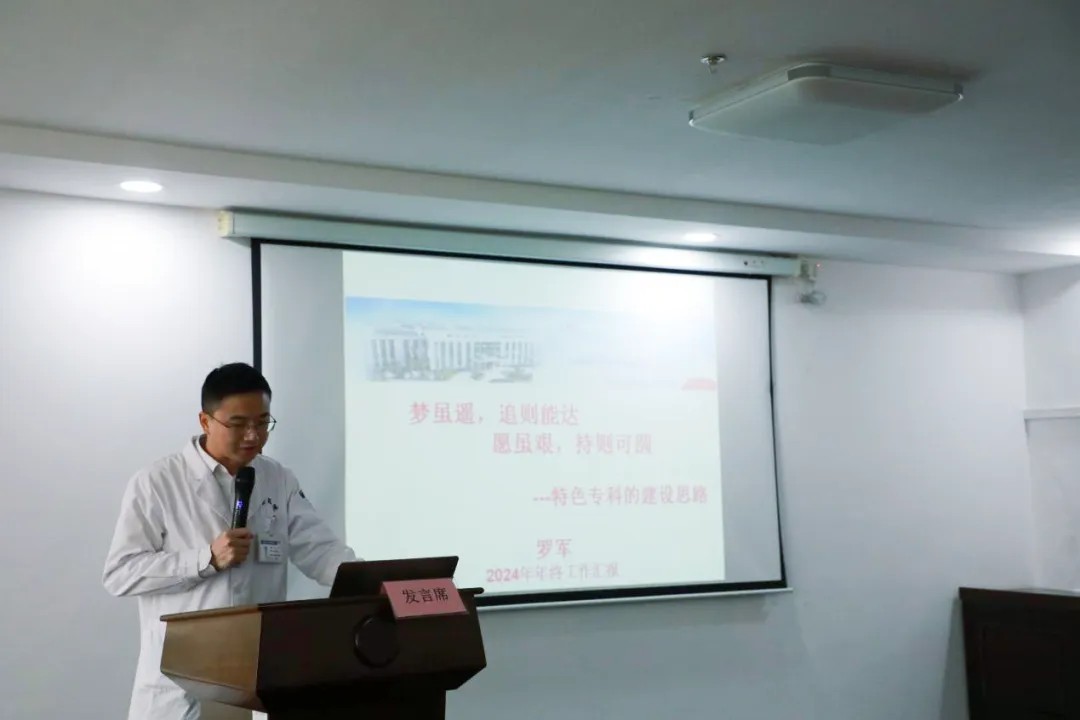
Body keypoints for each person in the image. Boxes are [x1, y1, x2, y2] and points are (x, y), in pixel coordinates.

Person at [103, 362, 357, 720]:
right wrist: (205, 559)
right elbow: (120, 573)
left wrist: (370, 581)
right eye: (238, 424)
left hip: (257, 677)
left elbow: (321, 551)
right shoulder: (158, 482)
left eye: (263, 422)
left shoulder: (277, 478)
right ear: (205, 421)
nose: (253, 436)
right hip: (180, 681)